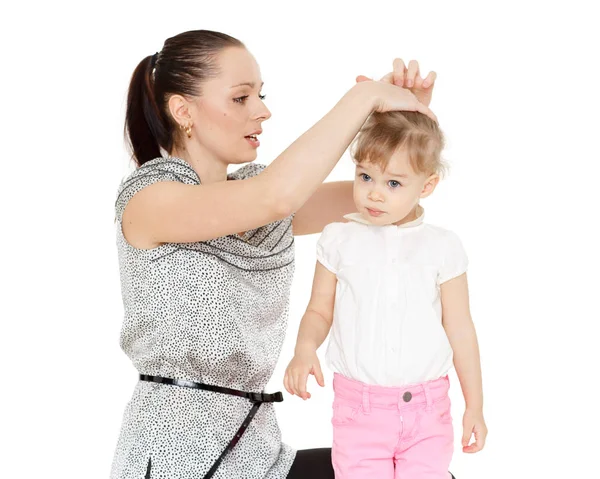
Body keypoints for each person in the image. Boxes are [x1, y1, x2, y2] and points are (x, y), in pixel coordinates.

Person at [111, 29, 437, 479]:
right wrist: (361, 99)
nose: (262, 111)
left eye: (260, 96)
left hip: (259, 458)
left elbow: (391, 202)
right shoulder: (150, 199)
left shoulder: (254, 196)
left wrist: (401, 129)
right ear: (183, 111)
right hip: (179, 462)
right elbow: (276, 197)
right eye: (241, 98)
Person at [284, 111, 487, 478]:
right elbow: (318, 311)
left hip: (428, 413)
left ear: (426, 186)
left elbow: (460, 329)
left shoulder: (442, 246)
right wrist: (304, 348)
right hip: (359, 412)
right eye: (365, 176)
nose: (374, 192)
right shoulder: (338, 239)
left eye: (394, 183)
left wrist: (475, 405)